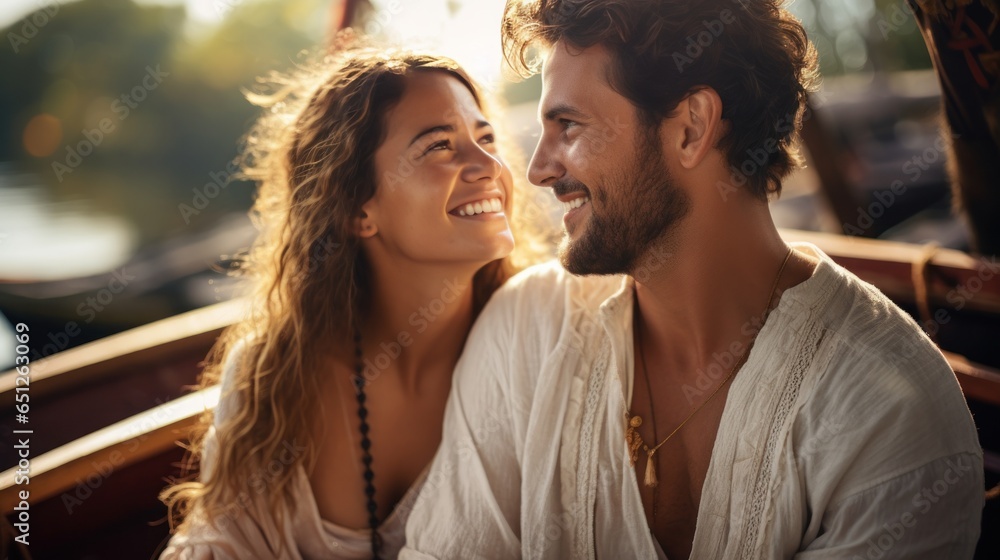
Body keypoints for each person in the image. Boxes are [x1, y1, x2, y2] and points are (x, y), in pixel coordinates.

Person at [401, 1, 985, 558]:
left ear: (690, 127)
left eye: (569, 126)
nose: (536, 169)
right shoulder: (525, 330)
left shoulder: (889, 415)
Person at [159, 38, 544, 560]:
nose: (488, 166)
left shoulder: (541, 338)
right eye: (439, 145)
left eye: (487, 137)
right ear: (358, 210)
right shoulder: (272, 379)